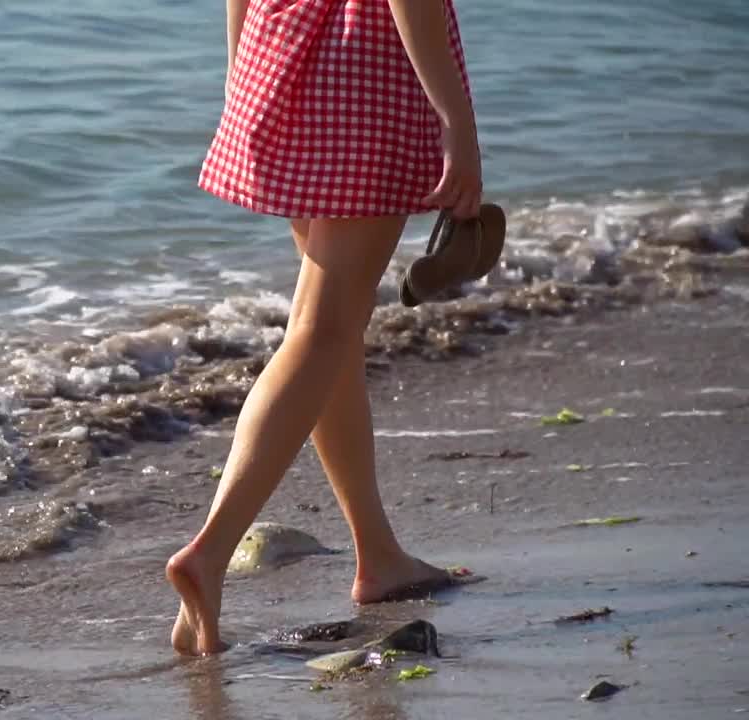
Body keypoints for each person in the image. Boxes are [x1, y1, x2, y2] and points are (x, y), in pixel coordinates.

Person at [167, 0, 483, 655]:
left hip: (280, 48)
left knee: (331, 330)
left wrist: (240, 72)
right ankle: (210, 551)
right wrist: (455, 117)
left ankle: (378, 553)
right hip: (365, 64)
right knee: (323, 329)